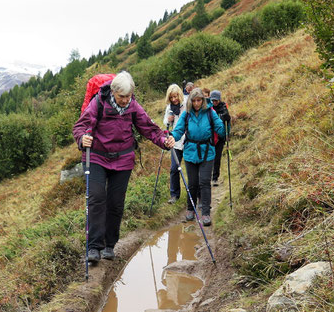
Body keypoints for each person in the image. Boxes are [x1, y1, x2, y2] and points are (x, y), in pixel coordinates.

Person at [73, 71, 175, 262]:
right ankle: (94, 247)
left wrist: (164, 140)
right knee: (96, 198)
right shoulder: (98, 103)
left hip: (123, 160)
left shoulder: (133, 106)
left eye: (128, 96)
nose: (125, 100)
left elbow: (149, 128)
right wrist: (82, 138)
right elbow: (80, 126)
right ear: (113, 92)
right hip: (96, 157)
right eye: (122, 97)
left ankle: (109, 245)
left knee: (115, 203)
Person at [170, 88, 225, 226]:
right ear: (190, 101)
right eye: (193, 100)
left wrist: (225, 122)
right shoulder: (186, 114)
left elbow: (221, 129)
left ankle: (206, 213)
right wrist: (172, 137)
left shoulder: (210, 113)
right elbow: (178, 130)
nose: (196, 103)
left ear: (203, 100)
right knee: (192, 183)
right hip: (190, 152)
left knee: (204, 182)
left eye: (199, 100)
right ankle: (190, 209)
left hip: (207, 152)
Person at [163, 84, 186, 205]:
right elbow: (165, 121)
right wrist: (168, 120)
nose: (174, 99)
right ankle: (174, 195)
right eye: (171, 97)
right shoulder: (169, 107)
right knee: (174, 169)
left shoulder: (186, 104)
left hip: (188, 141)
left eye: (175, 96)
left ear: (179, 95)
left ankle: (196, 194)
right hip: (175, 142)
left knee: (192, 168)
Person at [209, 90, 231, 187]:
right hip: (209, 137)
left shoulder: (223, 107)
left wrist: (227, 134)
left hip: (220, 137)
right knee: (209, 158)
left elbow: (228, 123)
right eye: (213, 100)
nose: (214, 102)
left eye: (216, 100)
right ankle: (207, 177)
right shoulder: (208, 108)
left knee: (217, 158)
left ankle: (215, 178)